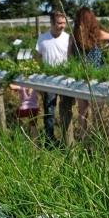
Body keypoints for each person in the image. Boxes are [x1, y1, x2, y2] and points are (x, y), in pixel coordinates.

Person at [68, 7, 109, 142]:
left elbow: (69, 56)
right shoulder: (97, 34)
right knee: (97, 113)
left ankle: (83, 139)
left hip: (81, 77)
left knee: (82, 111)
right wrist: (107, 46)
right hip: (96, 77)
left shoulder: (73, 35)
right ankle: (98, 140)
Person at [35, 10, 70, 146]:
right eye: (59, 23)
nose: (62, 25)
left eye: (64, 23)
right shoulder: (43, 39)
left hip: (65, 80)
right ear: (51, 22)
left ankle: (67, 140)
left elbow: (72, 58)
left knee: (66, 110)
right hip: (48, 81)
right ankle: (49, 140)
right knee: (49, 111)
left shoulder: (68, 38)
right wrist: (39, 82)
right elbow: (37, 60)